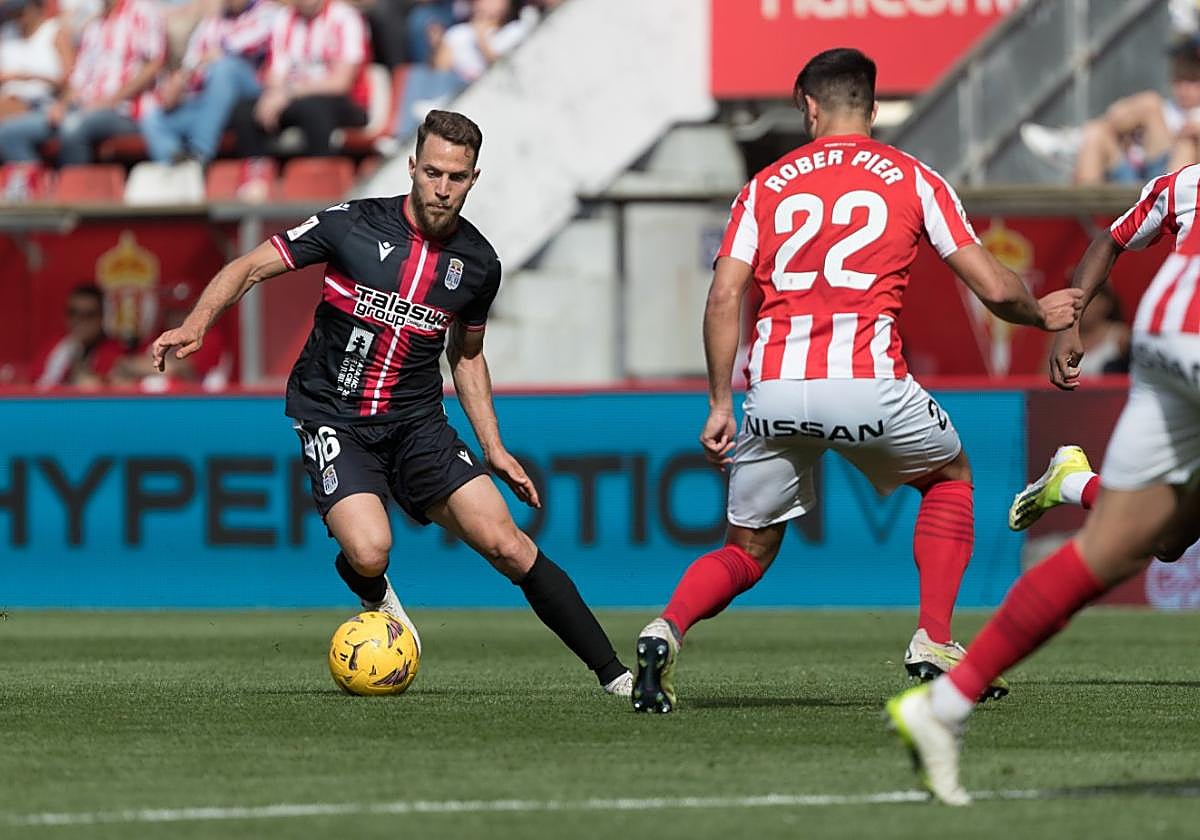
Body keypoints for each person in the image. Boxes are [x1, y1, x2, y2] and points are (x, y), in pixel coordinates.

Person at [630, 48, 1083, 714]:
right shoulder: (914, 178)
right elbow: (992, 286)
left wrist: (720, 401)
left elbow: (724, 297)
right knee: (949, 478)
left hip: (774, 389)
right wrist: (1040, 313)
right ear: (871, 108)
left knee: (749, 549)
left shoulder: (764, 186)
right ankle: (934, 638)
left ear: (808, 105)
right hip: (867, 383)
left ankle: (665, 627)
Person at [149, 109, 633, 697]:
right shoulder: (352, 225)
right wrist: (197, 323)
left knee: (508, 544)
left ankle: (617, 677)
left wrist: (494, 447)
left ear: (474, 178)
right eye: (432, 172)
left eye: (456, 176)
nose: (442, 187)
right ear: (412, 167)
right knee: (370, 550)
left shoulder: (478, 264)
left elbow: (467, 357)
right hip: (334, 417)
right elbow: (251, 266)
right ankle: (377, 594)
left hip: (417, 423)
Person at [886, 162, 1200, 805]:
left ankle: (943, 707)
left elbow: (1109, 238)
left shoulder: (1187, 181)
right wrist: (1070, 322)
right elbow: (1109, 239)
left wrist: (1069, 321)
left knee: (1149, 542)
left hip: (1166, 333)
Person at [0, 0, 164, 165]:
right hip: (82, 108)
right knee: (8, 133)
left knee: (73, 126)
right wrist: (62, 105)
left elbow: (154, 64)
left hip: (125, 111)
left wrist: (109, 101)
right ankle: (39, 181)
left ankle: (72, 181)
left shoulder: (142, 11)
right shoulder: (94, 25)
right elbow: (78, 78)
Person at [1021, 44, 1200, 184]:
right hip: (1138, 175)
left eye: (1192, 80)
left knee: (1182, 139)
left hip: (1171, 182)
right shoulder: (1167, 108)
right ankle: (1079, 146)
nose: (1184, 89)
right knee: (1095, 133)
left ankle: (1075, 142)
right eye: (1178, 80)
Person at [227, 0, 369, 169]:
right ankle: (256, 175)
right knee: (246, 111)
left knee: (313, 109)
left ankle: (319, 174)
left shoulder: (345, 18)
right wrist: (273, 96)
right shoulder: (284, 18)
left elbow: (341, 83)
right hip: (293, 98)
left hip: (342, 100)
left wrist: (289, 93)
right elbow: (275, 71)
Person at [139, 0, 278, 165]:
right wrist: (180, 82)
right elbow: (191, 60)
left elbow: (243, 44)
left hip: (252, 95)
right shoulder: (213, 21)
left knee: (224, 67)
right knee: (153, 117)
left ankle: (200, 152)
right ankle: (176, 165)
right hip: (212, 104)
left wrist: (211, 56)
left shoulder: (267, 11)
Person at [33, 284, 125, 389]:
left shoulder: (115, 351)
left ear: (102, 317)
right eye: (73, 313)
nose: (79, 321)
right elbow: (37, 385)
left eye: (89, 315)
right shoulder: (54, 347)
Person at [0, 0, 72, 120]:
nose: (18, 16)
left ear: (35, 7)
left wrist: (29, 77)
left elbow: (69, 78)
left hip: (43, 102)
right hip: (9, 98)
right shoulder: (7, 33)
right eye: (14, 11)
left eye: (21, 11)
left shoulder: (53, 31)